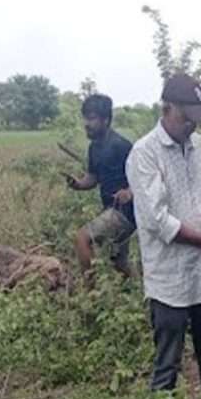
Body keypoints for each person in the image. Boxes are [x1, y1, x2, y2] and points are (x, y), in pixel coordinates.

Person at [126, 73, 201, 399]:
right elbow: (158, 222)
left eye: (196, 117)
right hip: (170, 281)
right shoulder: (144, 154)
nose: (192, 123)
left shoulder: (199, 145)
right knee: (168, 364)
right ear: (167, 108)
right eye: (185, 115)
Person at [65, 94, 135, 277]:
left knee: (82, 238)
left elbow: (146, 176)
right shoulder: (94, 147)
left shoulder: (121, 145)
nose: (86, 123)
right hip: (109, 209)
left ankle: (91, 296)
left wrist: (130, 191)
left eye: (92, 118)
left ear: (106, 120)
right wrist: (78, 184)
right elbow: (93, 177)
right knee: (119, 263)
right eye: (85, 118)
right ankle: (142, 295)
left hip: (124, 212)